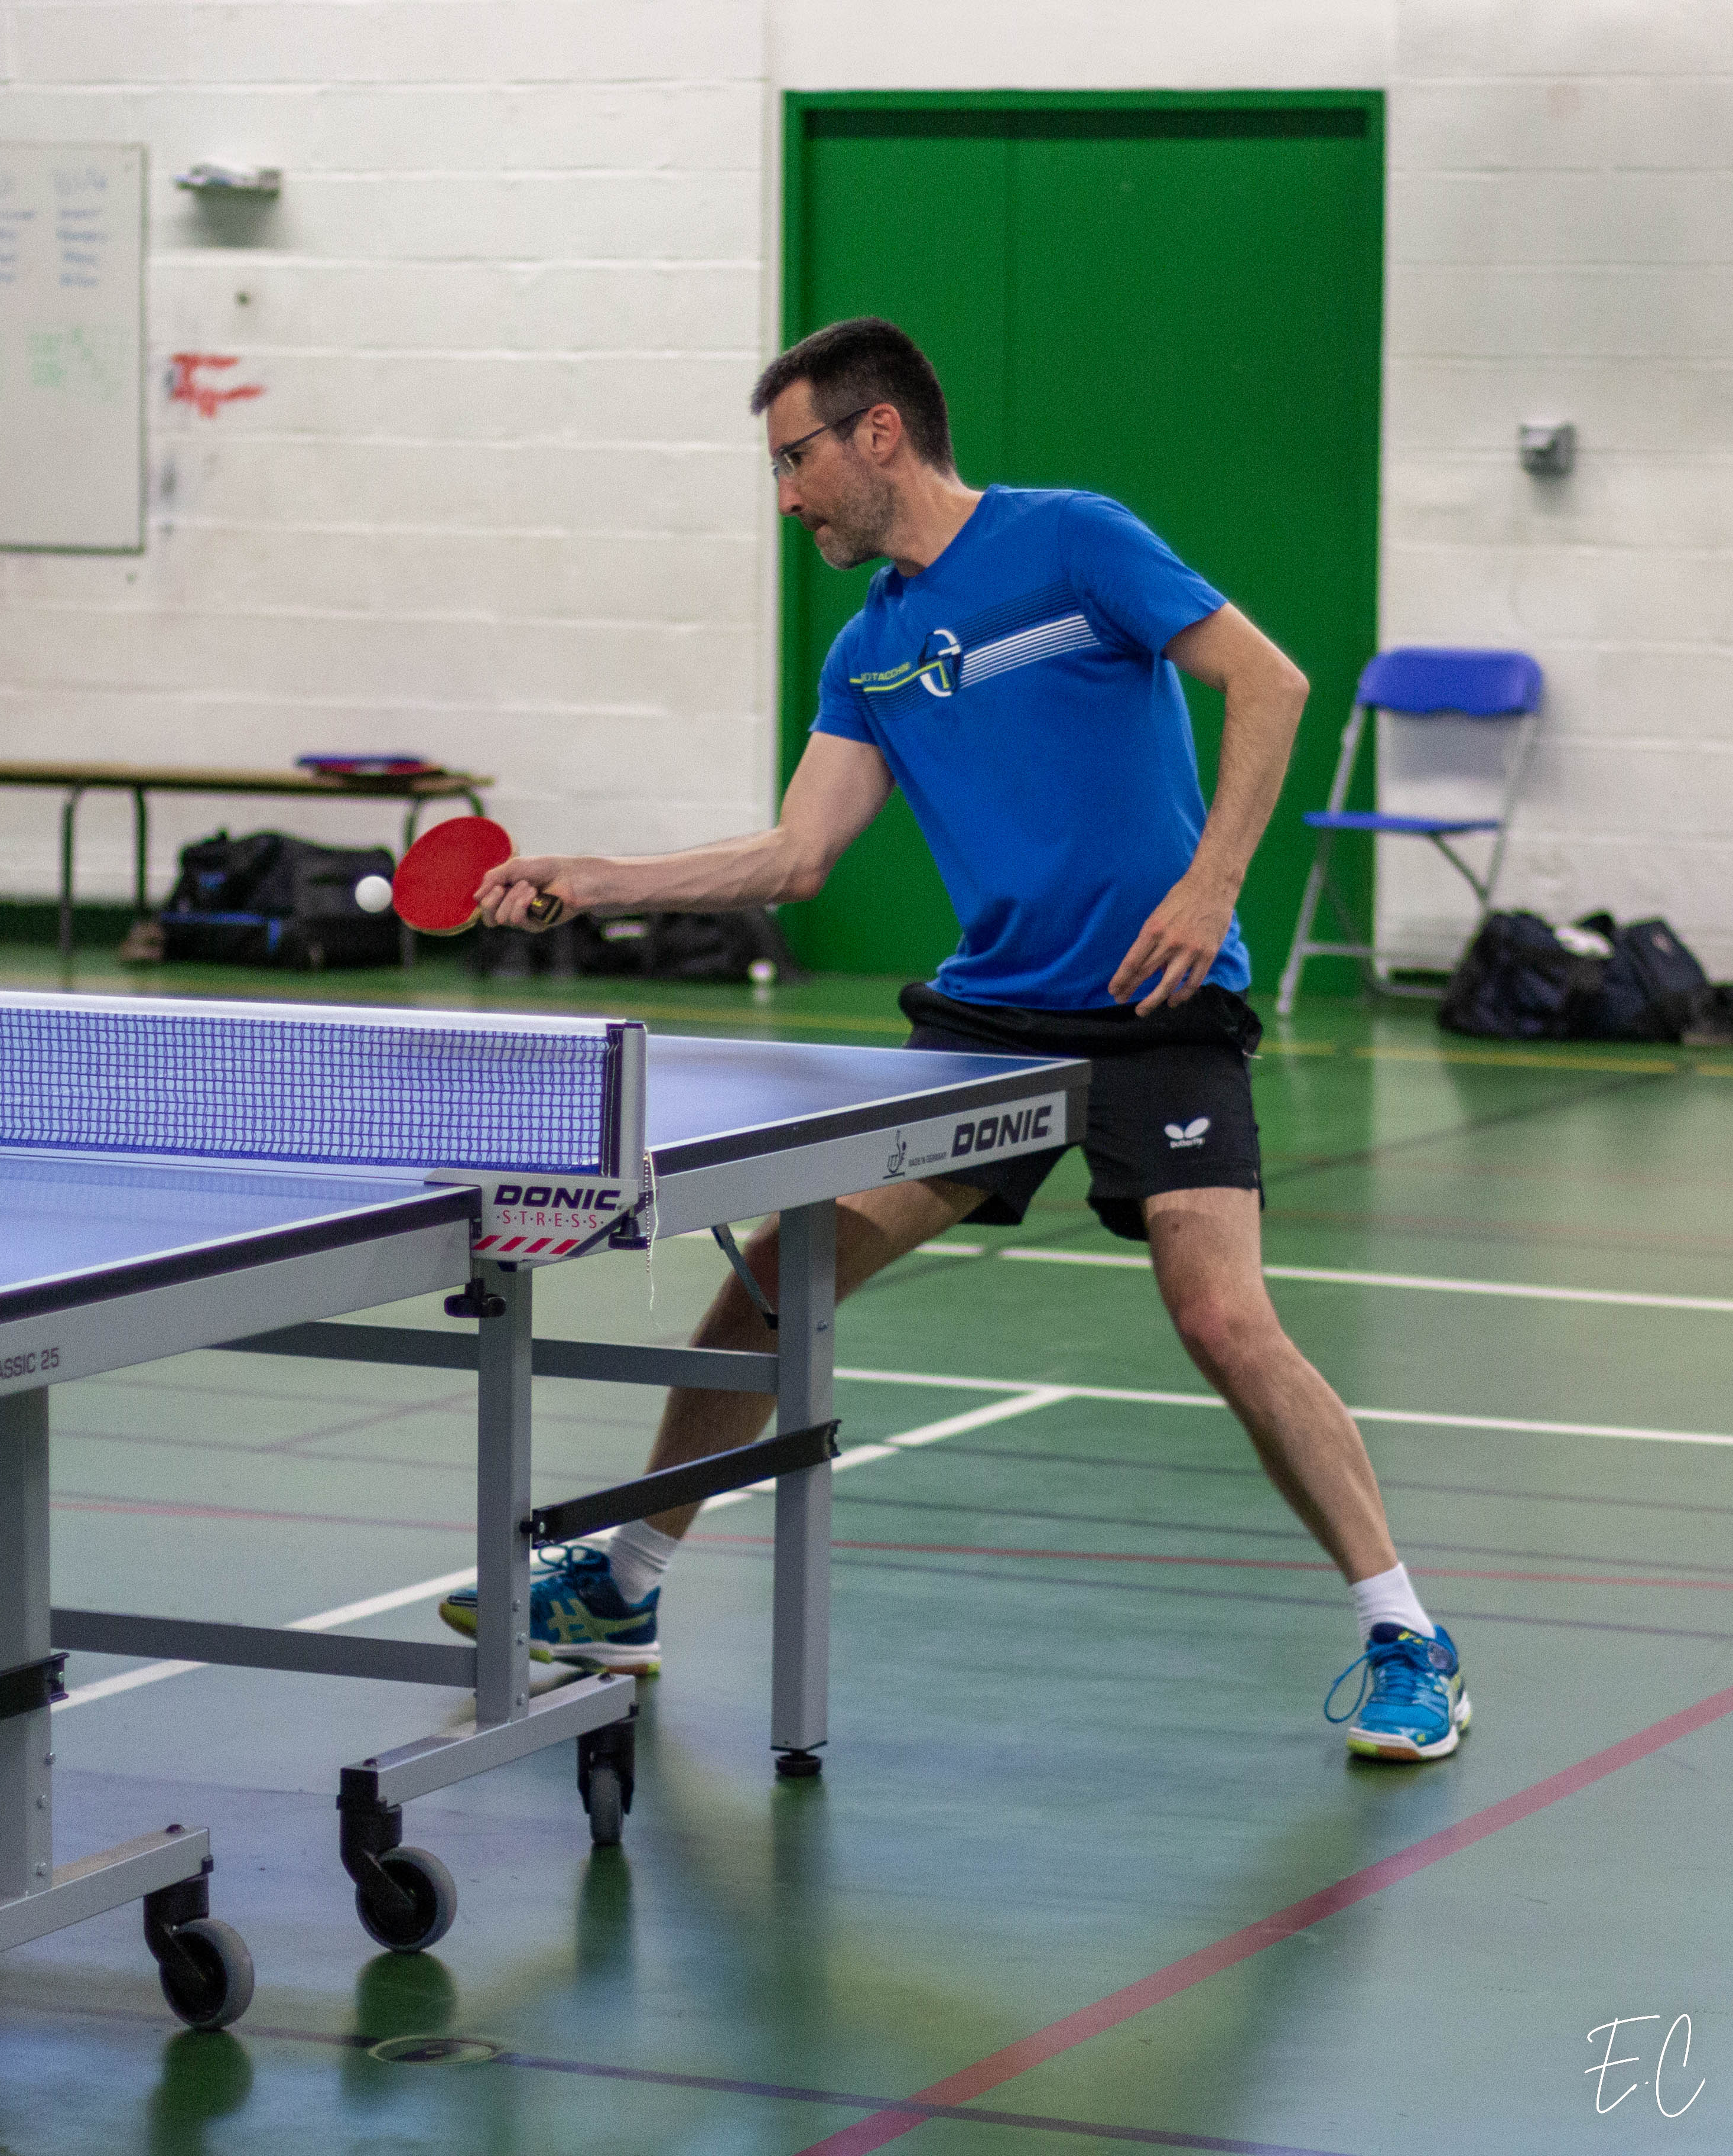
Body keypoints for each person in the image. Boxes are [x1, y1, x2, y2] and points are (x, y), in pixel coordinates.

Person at [441, 316, 1471, 1765]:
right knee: (771, 1286)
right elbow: (796, 856)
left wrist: (1211, 884)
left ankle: (1405, 1635)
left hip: (1156, 1007)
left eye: (793, 460)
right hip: (987, 1022)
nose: (785, 496)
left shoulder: (1073, 543)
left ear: (878, 433)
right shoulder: (866, 651)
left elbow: (1271, 681)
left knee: (1220, 1319)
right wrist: (600, 878)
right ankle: (624, 1587)